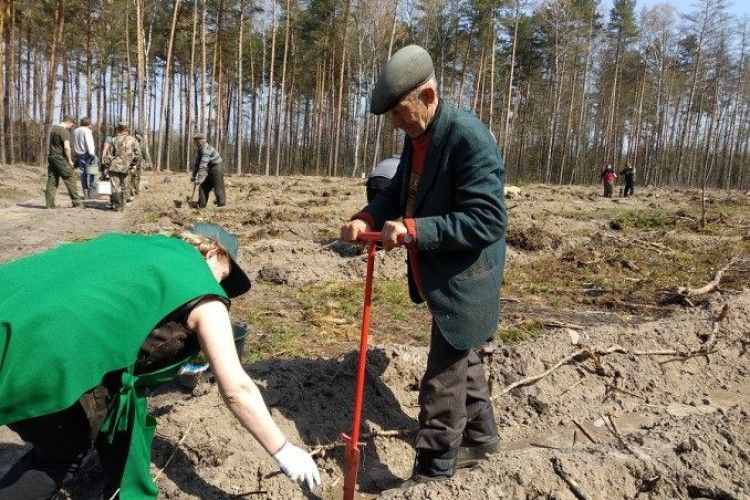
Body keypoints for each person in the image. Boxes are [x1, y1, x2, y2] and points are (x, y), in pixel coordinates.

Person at [0, 224, 321, 499]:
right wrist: (283, 450)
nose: (220, 287)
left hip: (11, 314)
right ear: (211, 253)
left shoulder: (131, 247)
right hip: (44, 357)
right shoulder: (203, 293)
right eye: (224, 277)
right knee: (62, 451)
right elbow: (237, 388)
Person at [340, 44, 507, 489]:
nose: (395, 121)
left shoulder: (468, 138)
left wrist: (415, 231)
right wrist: (367, 218)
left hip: (466, 278)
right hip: (439, 273)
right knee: (462, 353)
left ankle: (433, 471)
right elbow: (397, 191)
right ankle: (481, 438)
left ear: (428, 96)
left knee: (441, 380)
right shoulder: (417, 135)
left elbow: (488, 220)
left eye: (400, 110)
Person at [45, 115, 83, 208]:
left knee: (52, 180)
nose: (72, 127)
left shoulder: (53, 129)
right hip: (60, 158)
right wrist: (70, 160)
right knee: (70, 177)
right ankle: (77, 202)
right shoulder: (64, 131)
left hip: (52, 157)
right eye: (72, 125)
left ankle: (49, 204)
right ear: (68, 122)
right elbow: (66, 147)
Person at [103, 123, 140, 211]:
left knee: (115, 187)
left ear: (118, 129)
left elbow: (109, 155)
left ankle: (117, 206)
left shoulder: (114, 139)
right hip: (127, 167)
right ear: (127, 129)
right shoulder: (133, 140)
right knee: (125, 186)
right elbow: (138, 155)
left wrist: (106, 165)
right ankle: (123, 206)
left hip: (114, 166)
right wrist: (133, 164)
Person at [191, 133, 226, 208]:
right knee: (203, 186)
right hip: (210, 168)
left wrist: (200, 178)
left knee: (218, 187)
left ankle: (221, 205)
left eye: (195, 141)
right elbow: (197, 164)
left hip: (217, 168)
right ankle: (201, 205)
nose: (194, 142)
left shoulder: (206, 150)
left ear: (200, 141)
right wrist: (193, 176)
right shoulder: (200, 150)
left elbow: (202, 166)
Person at [72, 117, 98, 199]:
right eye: (91, 124)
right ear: (88, 124)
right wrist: (92, 154)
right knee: (92, 173)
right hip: (88, 153)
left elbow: (73, 142)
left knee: (83, 174)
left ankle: (85, 192)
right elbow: (89, 142)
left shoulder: (76, 131)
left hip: (79, 154)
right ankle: (93, 193)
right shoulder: (87, 131)